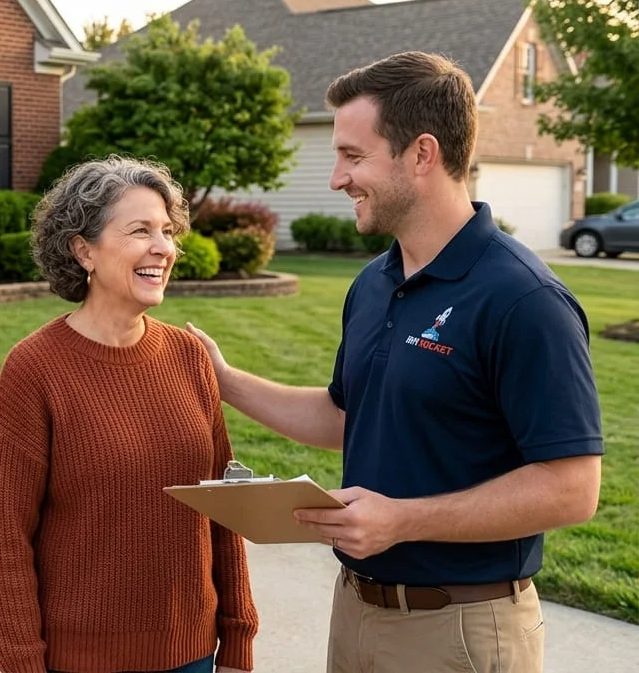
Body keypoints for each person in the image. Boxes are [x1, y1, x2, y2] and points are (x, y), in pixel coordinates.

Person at [186, 51, 604, 673]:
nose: (336, 178)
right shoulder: (375, 282)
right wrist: (223, 381)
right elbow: (346, 416)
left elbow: (572, 488)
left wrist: (403, 521)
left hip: (462, 629)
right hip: (355, 611)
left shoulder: (523, 299)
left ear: (422, 154)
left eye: (353, 157)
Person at [0, 154, 259, 673]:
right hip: (79, 661)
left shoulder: (189, 356)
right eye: (140, 231)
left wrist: (237, 642)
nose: (163, 248)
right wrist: (21, 664)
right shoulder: (34, 369)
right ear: (84, 250)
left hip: (192, 653)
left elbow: (225, 509)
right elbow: (2, 540)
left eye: (168, 231)